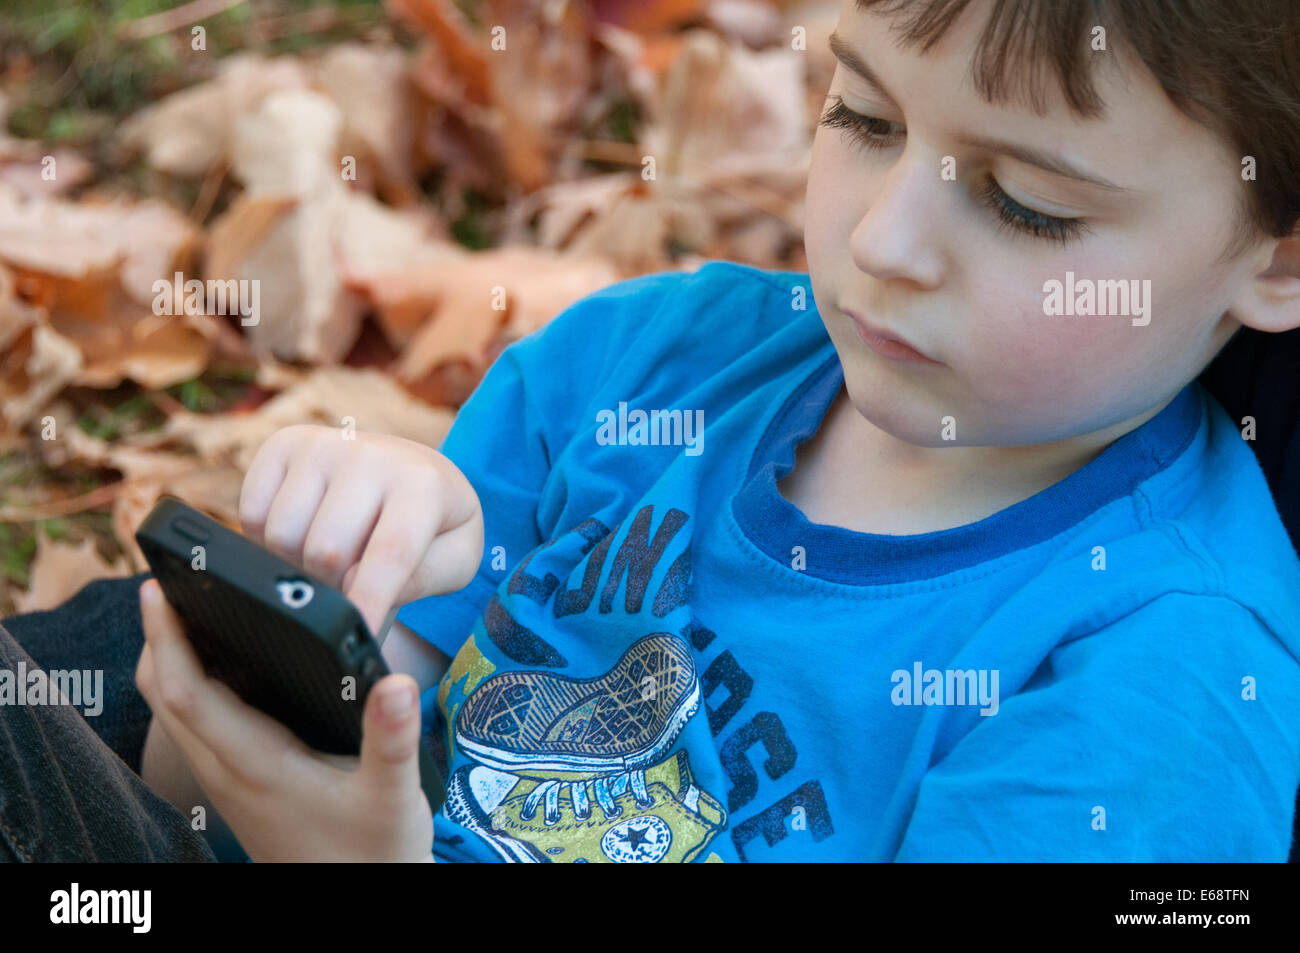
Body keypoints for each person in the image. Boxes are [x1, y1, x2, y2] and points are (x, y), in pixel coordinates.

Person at [4, 0, 1300, 861]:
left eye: (1023, 204)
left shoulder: (1156, 695)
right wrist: (246, 671)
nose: (882, 240)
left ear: (1279, 256)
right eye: (863, 117)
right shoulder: (644, 365)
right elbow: (179, 789)